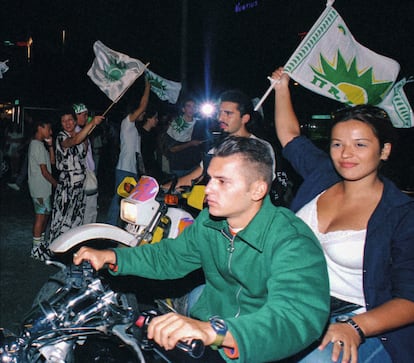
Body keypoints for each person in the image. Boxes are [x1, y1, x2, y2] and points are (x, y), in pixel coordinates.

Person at [74, 136, 330, 363]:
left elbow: (295, 317)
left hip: (257, 345)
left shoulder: (292, 240)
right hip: (210, 327)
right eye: (209, 179)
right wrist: (113, 256)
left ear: (258, 189)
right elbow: (170, 256)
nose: (208, 189)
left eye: (222, 181)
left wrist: (213, 331)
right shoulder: (209, 222)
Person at [271, 67, 414, 363]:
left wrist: (355, 327)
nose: (346, 154)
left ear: (384, 150)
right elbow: (289, 137)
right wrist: (282, 87)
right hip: (296, 299)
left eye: (360, 144)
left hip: (360, 320)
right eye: (337, 144)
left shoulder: (401, 214)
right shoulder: (322, 175)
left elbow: (410, 299)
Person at [172, 89, 276, 189]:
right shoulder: (219, 147)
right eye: (220, 113)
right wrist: (161, 189)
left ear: (245, 118)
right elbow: (194, 177)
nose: (220, 118)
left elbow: (262, 185)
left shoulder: (260, 148)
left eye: (228, 113)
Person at [49, 107, 104, 242]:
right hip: (67, 185)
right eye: (64, 121)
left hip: (80, 185)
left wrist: (90, 127)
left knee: (76, 219)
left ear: (75, 121)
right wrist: (91, 123)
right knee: (63, 219)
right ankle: (58, 249)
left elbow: (80, 144)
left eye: (70, 120)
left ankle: (71, 249)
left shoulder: (81, 137)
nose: (67, 123)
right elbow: (74, 141)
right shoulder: (62, 136)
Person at [106, 79, 150, 226]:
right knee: (118, 199)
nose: (143, 113)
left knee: (130, 201)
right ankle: (109, 226)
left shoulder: (135, 129)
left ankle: (124, 226)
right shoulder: (127, 123)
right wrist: (148, 87)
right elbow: (143, 105)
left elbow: (138, 154)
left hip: (133, 170)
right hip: (124, 168)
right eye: (141, 111)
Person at [27, 119, 58, 261]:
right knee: (40, 217)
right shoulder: (36, 145)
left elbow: (52, 162)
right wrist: (57, 184)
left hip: (43, 187)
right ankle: (35, 248)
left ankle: (41, 245)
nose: (50, 132)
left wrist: (51, 146)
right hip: (39, 187)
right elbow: (45, 172)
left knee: (45, 215)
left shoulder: (41, 144)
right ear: (40, 127)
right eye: (48, 128)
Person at [165, 98, 209, 177]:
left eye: (194, 106)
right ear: (183, 109)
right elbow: (172, 148)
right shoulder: (176, 124)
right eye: (188, 106)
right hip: (178, 166)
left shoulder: (199, 124)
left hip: (194, 166)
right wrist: (190, 144)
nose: (191, 109)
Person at [73, 103, 99, 224]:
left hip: (85, 174)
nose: (86, 118)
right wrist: (92, 123)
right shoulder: (77, 131)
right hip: (85, 175)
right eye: (84, 115)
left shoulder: (80, 130)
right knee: (89, 210)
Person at [137, 106, 164, 180]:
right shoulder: (139, 134)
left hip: (152, 167)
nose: (157, 120)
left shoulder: (153, 133)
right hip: (144, 169)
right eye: (155, 118)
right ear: (148, 118)